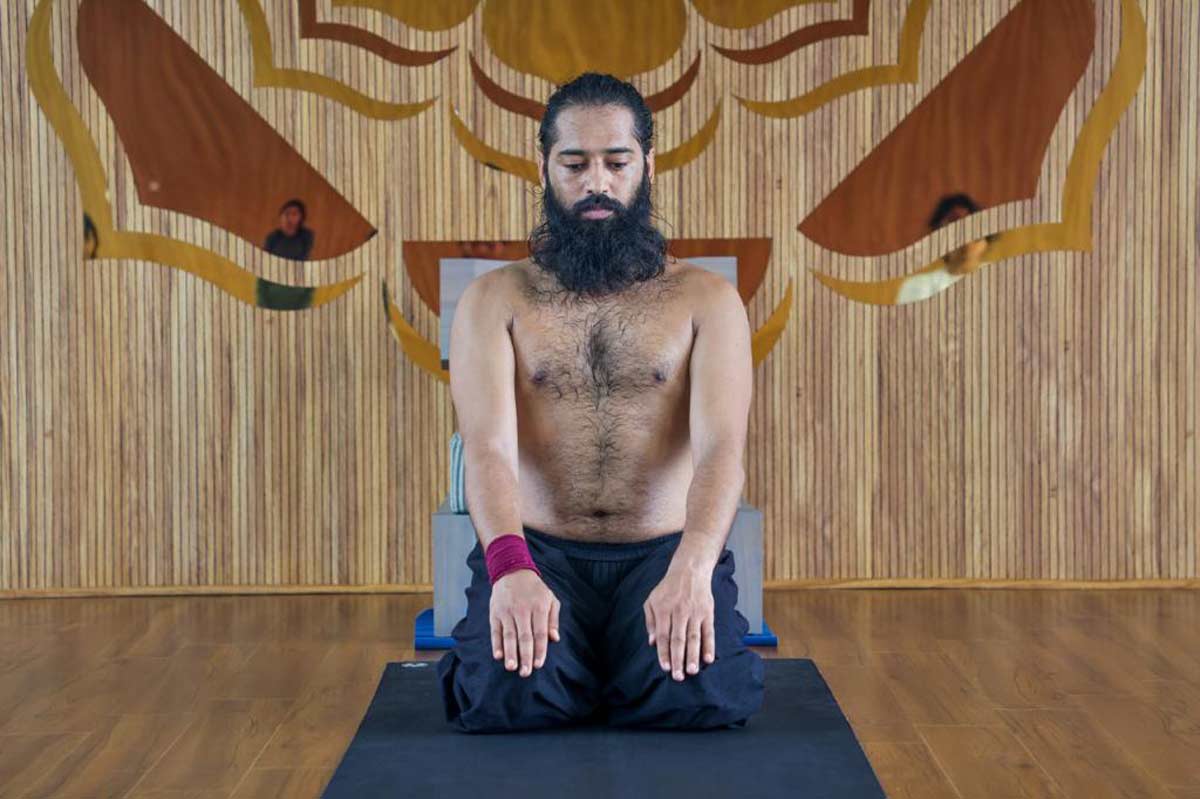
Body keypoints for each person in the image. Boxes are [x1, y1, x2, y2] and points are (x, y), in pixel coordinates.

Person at [436, 72, 765, 733]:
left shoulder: (707, 299)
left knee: (701, 694)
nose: (597, 183)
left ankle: (602, 666)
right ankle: (593, 667)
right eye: (575, 163)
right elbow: (488, 449)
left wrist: (694, 566)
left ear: (648, 165)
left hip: (661, 551)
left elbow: (721, 452)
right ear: (544, 167)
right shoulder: (493, 299)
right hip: (539, 550)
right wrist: (510, 569)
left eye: (616, 162)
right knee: (505, 695)